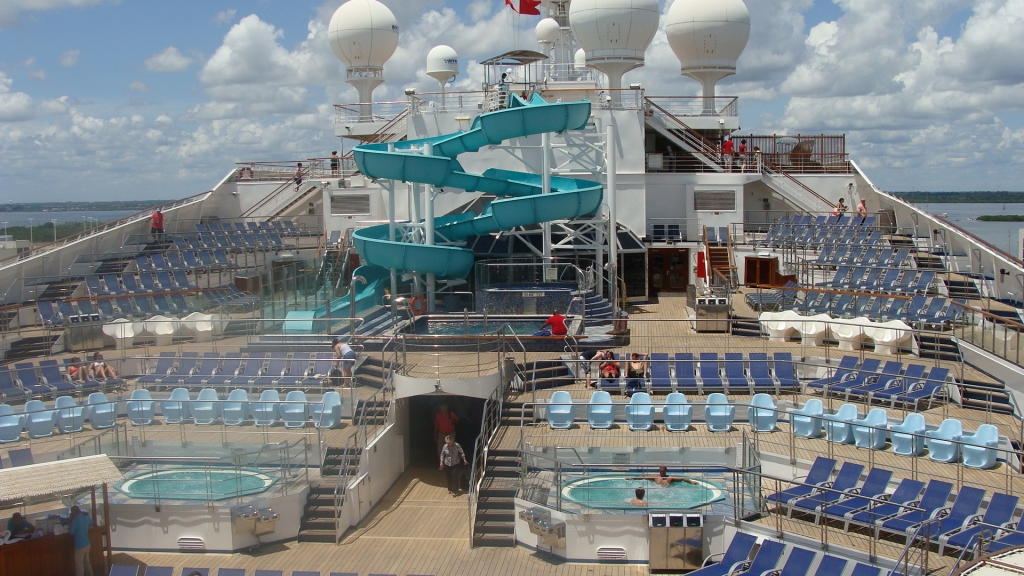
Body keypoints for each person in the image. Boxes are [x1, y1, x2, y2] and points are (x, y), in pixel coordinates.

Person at [68, 505, 94, 576]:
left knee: (79, 564)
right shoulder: (85, 517)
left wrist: (70, 521)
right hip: (87, 543)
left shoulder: (75, 520)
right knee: (86, 562)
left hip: (79, 545)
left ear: (74, 512)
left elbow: (71, 532)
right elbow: (91, 522)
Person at [631, 466, 699, 487]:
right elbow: (644, 477)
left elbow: (682, 478)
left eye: (663, 471)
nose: (661, 472)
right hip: (656, 491)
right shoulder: (656, 477)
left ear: (666, 470)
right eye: (660, 471)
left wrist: (691, 481)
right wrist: (633, 478)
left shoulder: (670, 478)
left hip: (667, 493)